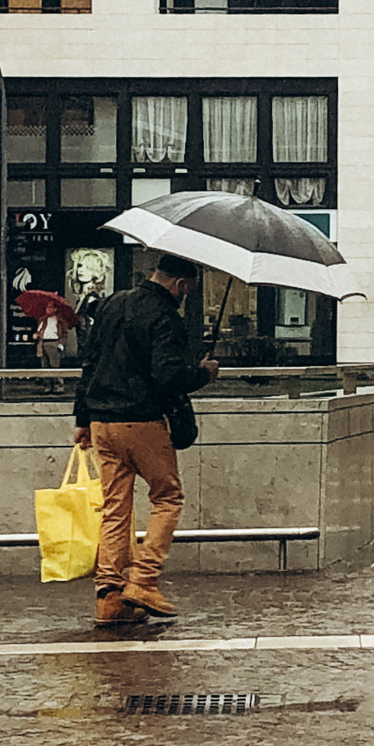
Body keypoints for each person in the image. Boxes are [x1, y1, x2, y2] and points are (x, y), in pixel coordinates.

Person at [73, 254, 219, 632]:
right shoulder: (165, 314)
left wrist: (82, 420)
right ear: (181, 284)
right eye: (189, 290)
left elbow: (89, 363)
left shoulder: (112, 303)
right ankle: (144, 581)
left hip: (102, 421)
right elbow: (168, 376)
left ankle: (109, 597)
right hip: (141, 420)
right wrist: (202, 374)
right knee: (167, 497)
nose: (186, 296)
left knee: (115, 507)